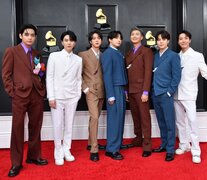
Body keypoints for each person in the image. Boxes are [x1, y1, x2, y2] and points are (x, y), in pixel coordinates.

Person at [2, 24, 48, 177]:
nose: (30, 37)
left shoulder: (37, 53)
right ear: (21, 35)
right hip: (19, 95)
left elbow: (40, 73)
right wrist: (12, 92)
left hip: (36, 95)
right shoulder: (12, 51)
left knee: (36, 126)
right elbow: (6, 74)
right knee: (17, 129)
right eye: (27, 34)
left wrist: (42, 87)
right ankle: (16, 163)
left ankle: (34, 156)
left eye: (32, 35)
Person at [46, 30, 82, 165]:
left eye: (71, 40)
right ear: (62, 42)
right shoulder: (54, 56)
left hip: (72, 96)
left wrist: (78, 94)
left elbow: (79, 79)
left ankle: (67, 149)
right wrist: (51, 97)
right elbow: (49, 77)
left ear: (75, 43)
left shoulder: (78, 60)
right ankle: (58, 151)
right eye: (66, 40)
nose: (69, 42)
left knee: (69, 125)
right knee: (57, 125)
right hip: (57, 97)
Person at [174, 30, 207, 164]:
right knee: (180, 122)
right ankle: (184, 145)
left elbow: (205, 72)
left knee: (192, 122)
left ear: (190, 40)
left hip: (189, 94)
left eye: (185, 38)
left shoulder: (197, 56)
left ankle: (196, 151)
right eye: (180, 39)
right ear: (178, 41)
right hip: (176, 93)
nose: (183, 41)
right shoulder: (176, 56)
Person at [152, 30, 181, 161]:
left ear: (168, 41)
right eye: (158, 39)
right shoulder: (155, 55)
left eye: (163, 39)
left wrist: (169, 92)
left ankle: (170, 149)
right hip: (155, 93)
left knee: (169, 123)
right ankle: (163, 145)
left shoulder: (173, 55)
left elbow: (176, 76)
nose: (161, 41)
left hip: (165, 94)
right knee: (161, 122)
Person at [125, 27, 153, 157]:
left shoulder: (146, 51)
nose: (134, 36)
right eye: (132, 34)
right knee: (136, 117)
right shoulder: (129, 53)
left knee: (144, 118)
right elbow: (126, 73)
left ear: (142, 37)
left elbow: (148, 73)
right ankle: (138, 139)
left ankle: (147, 145)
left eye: (137, 34)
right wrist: (126, 90)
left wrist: (146, 92)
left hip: (141, 90)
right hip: (131, 90)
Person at [78, 30, 105, 162]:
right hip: (91, 91)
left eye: (98, 38)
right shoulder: (83, 55)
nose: (96, 40)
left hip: (102, 91)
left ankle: (90, 142)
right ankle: (94, 149)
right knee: (94, 117)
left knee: (95, 117)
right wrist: (85, 89)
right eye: (94, 38)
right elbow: (78, 74)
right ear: (90, 41)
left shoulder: (104, 55)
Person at [101, 31, 128, 160]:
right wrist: (110, 95)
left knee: (120, 118)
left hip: (121, 88)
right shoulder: (107, 54)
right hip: (114, 89)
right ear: (110, 40)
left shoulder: (118, 53)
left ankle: (117, 144)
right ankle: (111, 149)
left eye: (120, 38)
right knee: (114, 119)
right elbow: (107, 75)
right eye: (116, 38)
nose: (119, 40)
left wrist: (125, 91)